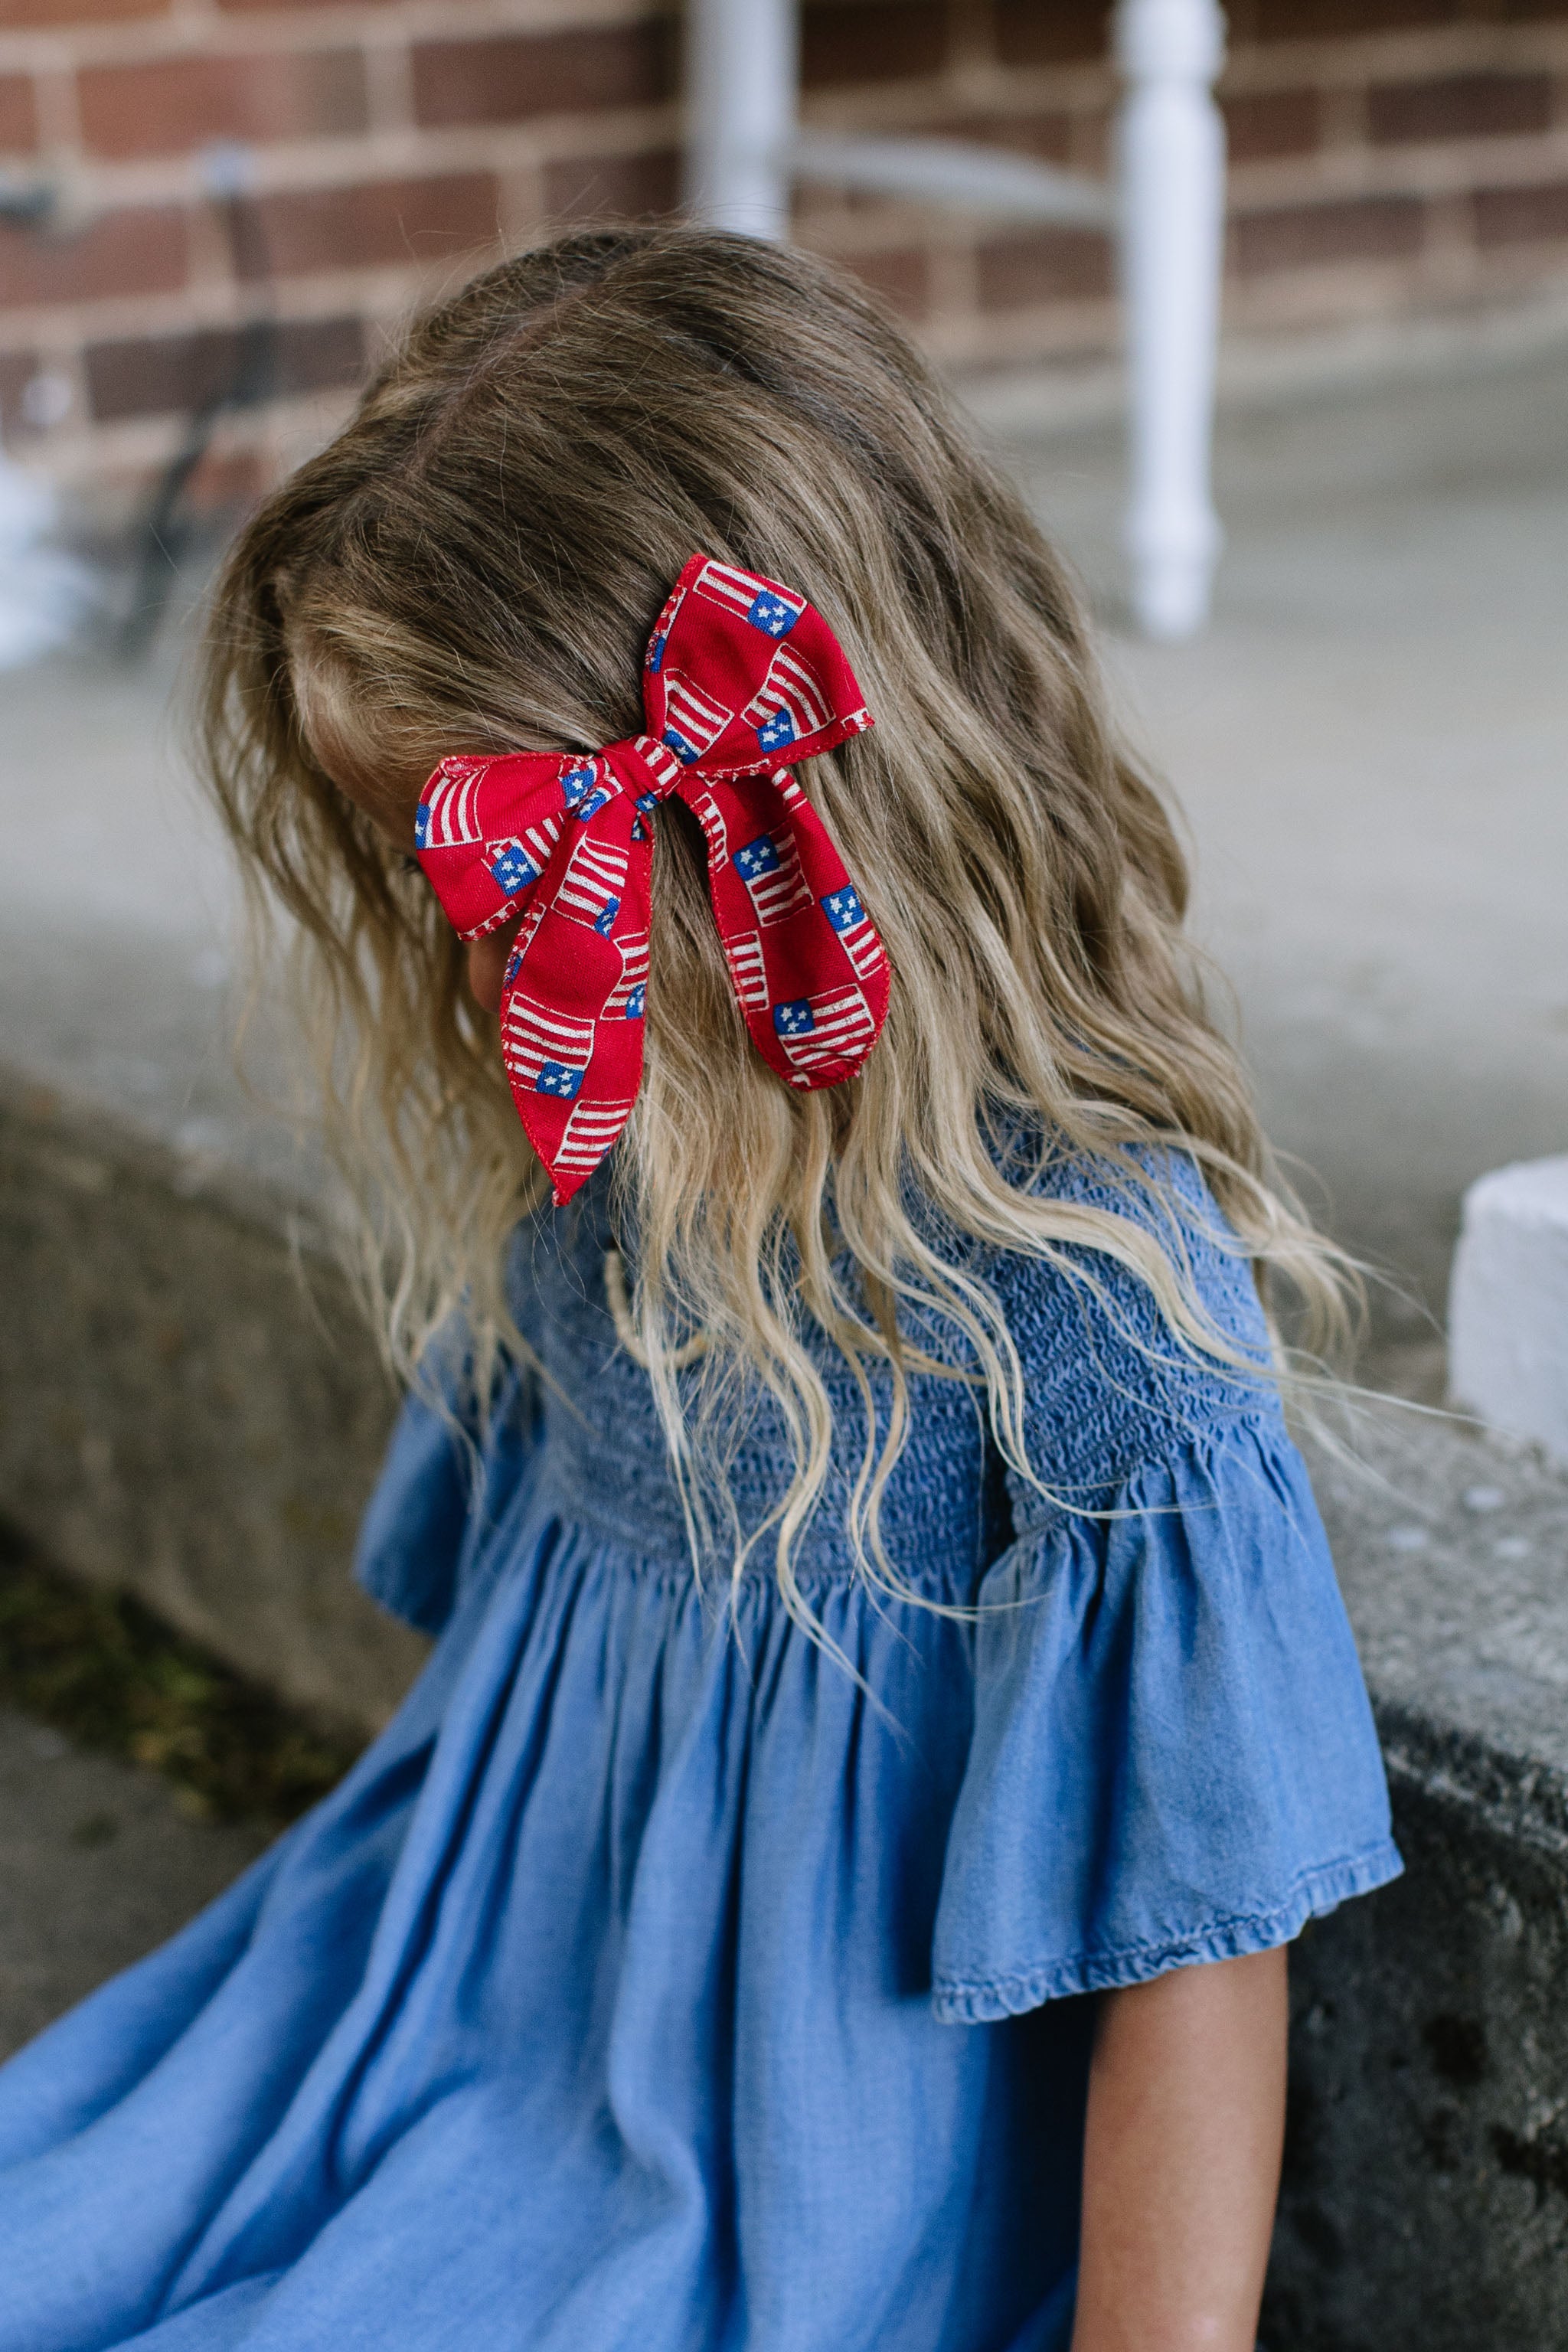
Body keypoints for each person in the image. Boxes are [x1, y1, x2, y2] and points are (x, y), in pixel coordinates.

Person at [0, 227, 1399, 2352]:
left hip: (794, 2180)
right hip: (468, 2008)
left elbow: (1201, 1960)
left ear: (773, 832)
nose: (479, 954)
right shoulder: (614, 1157)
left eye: (516, 883)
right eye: (446, 880)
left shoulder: (1076, 1292)